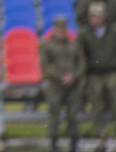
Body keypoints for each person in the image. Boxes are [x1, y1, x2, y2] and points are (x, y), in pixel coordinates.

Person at [40, 16, 83, 152]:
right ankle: (54, 144)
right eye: (58, 29)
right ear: (54, 29)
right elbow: (45, 66)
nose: (61, 32)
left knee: (73, 115)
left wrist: (74, 76)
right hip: (54, 85)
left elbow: (81, 62)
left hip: (73, 85)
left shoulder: (74, 43)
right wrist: (60, 77)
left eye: (63, 29)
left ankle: (74, 145)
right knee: (54, 115)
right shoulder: (46, 45)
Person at [77, 2, 116, 152]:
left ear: (104, 17)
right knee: (96, 103)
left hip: (112, 71)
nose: (95, 19)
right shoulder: (84, 33)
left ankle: (112, 133)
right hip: (93, 73)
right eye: (92, 16)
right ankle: (100, 137)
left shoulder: (113, 31)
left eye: (98, 16)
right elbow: (80, 56)